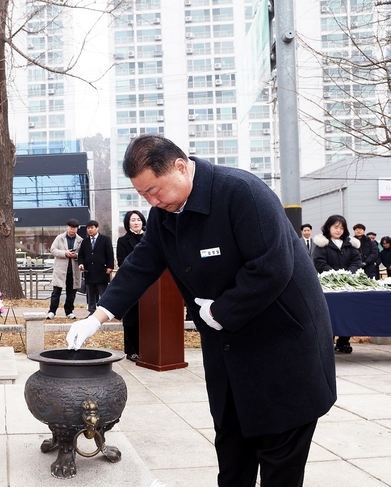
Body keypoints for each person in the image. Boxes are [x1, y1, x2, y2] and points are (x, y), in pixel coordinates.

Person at [66, 135, 336, 487]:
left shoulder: (241, 192)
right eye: (143, 194)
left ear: (180, 167)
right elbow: (141, 265)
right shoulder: (165, 214)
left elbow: (272, 267)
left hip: (282, 349)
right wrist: (97, 316)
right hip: (229, 357)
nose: (150, 201)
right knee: (232, 454)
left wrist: (222, 311)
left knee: (278, 460)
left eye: (153, 190)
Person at [312, 215, 363, 354]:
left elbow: (356, 261)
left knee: (347, 313)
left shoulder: (350, 244)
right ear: (328, 227)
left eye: (341, 228)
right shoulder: (322, 245)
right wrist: (335, 275)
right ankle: (329, 340)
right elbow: (320, 263)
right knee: (330, 313)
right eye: (336, 227)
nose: (339, 230)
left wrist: (347, 274)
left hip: (348, 284)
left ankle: (343, 341)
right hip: (329, 285)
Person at [115, 210, 146, 362]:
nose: (136, 222)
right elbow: (121, 261)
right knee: (132, 319)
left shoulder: (150, 238)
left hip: (151, 285)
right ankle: (132, 351)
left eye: (139, 219)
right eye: (133, 220)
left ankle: (147, 349)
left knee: (148, 318)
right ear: (128, 223)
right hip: (131, 283)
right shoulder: (123, 240)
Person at [46, 219, 83, 320]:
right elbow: (53, 250)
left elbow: (83, 255)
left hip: (73, 270)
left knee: (71, 293)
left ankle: (69, 311)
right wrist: (65, 253)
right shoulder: (59, 238)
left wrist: (75, 255)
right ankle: (52, 311)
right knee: (56, 292)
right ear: (67, 227)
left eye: (74, 228)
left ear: (77, 229)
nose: (72, 230)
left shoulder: (80, 240)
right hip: (61, 270)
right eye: (71, 228)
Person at [77, 220, 114, 314]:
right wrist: (81, 263)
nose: (90, 230)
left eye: (92, 228)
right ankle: (92, 311)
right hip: (89, 271)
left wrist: (110, 266)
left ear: (97, 228)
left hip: (102, 270)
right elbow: (81, 254)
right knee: (90, 293)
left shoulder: (105, 239)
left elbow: (109, 254)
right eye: (88, 228)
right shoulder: (84, 242)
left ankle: (105, 312)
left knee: (103, 293)